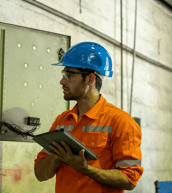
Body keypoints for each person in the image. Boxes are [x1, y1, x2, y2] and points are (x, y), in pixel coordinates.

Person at [34, 42, 144, 193]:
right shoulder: (62, 121)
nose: (62, 81)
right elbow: (40, 174)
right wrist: (57, 156)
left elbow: (129, 179)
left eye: (69, 74)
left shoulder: (120, 122)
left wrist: (87, 169)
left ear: (90, 79)